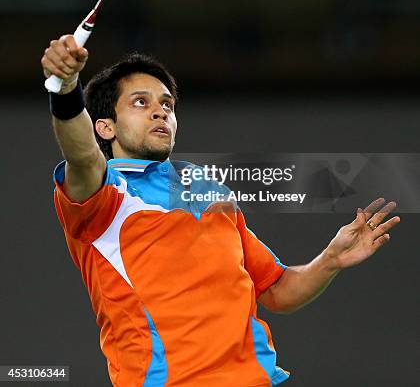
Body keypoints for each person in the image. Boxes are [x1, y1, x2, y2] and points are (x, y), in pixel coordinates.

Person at [41, 35, 401, 387]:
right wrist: (66, 89)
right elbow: (82, 153)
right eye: (140, 102)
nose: (159, 111)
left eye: (167, 104)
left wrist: (330, 260)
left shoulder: (212, 193)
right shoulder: (103, 197)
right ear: (105, 127)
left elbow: (277, 289)